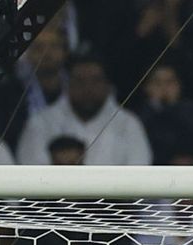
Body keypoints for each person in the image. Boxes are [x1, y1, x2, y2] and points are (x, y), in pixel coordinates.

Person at [16, 54, 152, 166]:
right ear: (68, 84)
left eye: (95, 80)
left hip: (113, 199)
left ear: (108, 85)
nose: (88, 88)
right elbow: (31, 176)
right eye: (80, 81)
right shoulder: (40, 122)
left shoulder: (128, 123)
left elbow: (139, 174)